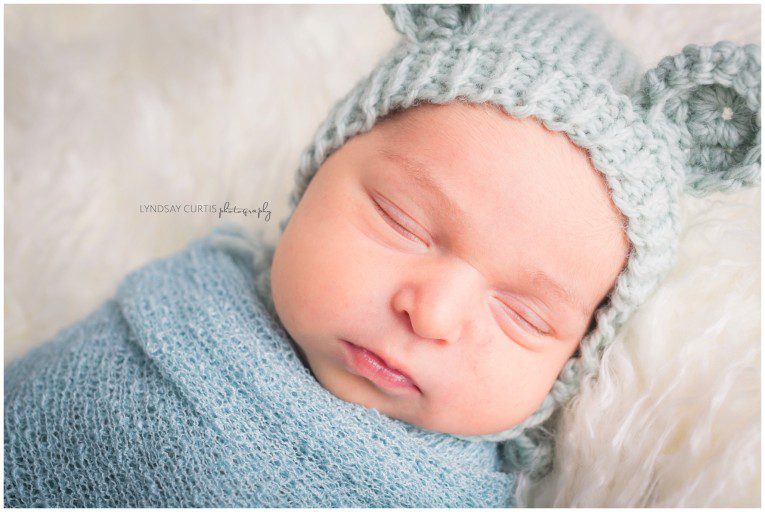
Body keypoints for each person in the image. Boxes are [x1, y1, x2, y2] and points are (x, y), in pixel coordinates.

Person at [4, 4, 760, 507]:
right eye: (402, 222)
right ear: (315, 179)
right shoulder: (181, 309)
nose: (430, 312)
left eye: (522, 314)